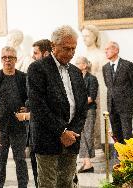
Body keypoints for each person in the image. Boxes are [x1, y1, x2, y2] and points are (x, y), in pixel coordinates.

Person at [27, 25, 88, 188]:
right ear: (53, 46)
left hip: (72, 139)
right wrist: (62, 131)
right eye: (66, 48)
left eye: (73, 49)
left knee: (67, 183)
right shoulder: (38, 68)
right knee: (48, 183)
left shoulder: (76, 72)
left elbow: (82, 107)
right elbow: (38, 105)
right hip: (47, 137)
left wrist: (73, 132)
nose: (70, 53)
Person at [15, 39, 52, 188]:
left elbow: (42, 102)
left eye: (36, 53)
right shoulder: (35, 70)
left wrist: (27, 113)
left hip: (48, 131)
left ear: (46, 53)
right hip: (35, 130)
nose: (33, 57)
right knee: (37, 172)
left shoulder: (52, 74)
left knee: (48, 174)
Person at [0, 46, 29, 188]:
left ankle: (23, 186)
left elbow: (30, 97)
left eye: (10, 58)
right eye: (4, 57)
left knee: (20, 159)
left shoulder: (23, 77)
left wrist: (27, 106)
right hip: (0, 125)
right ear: (1, 59)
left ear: (15, 59)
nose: (7, 60)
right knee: (0, 159)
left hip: (18, 125)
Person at [102, 41, 133, 144]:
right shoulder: (105, 68)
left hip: (126, 105)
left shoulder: (127, 65)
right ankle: (120, 158)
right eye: (105, 49)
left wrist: (130, 99)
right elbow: (108, 85)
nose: (105, 51)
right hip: (112, 105)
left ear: (116, 50)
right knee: (116, 133)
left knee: (127, 133)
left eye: (108, 49)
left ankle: (130, 158)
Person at [82, 24, 107, 149]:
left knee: (95, 118)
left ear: (94, 37)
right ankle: (87, 149)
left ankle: (96, 146)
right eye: (83, 36)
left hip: (96, 90)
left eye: (87, 36)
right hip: (82, 90)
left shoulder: (100, 55)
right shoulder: (81, 54)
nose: (84, 38)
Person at [75, 56, 99, 173]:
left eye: (78, 63)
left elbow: (91, 97)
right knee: (81, 135)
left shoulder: (92, 79)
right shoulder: (76, 78)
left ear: (84, 65)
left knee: (87, 135)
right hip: (79, 111)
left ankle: (88, 163)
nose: (75, 65)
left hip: (89, 110)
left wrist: (78, 103)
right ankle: (86, 163)